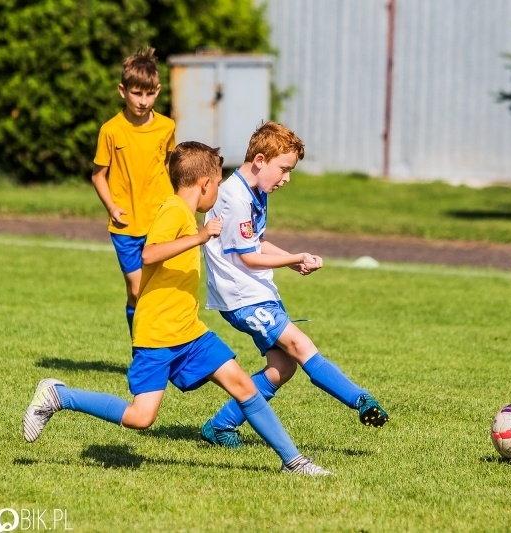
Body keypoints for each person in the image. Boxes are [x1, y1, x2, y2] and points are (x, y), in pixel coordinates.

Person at [23, 141, 331, 476]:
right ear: (205, 184)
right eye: (217, 183)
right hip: (157, 333)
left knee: (242, 384)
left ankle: (294, 462)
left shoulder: (183, 213)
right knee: (142, 417)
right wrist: (199, 237)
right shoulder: (174, 210)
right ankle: (58, 396)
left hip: (189, 331)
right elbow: (149, 254)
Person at [199, 121, 389, 448]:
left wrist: (292, 257)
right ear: (260, 160)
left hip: (257, 293)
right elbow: (248, 258)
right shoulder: (235, 197)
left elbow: (255, 244)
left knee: (282, 367)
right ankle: (360, 399)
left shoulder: (255, 191)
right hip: (242, 297)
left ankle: (221, 425)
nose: (286, 178)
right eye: (284, 169)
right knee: (301, 346)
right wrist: (292, 258)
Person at [91, 48, 176, 336]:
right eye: (137, 93)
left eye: (149, 94)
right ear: (122, 91)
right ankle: (140, 345)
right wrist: (112, 208)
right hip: (126, 225)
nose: (143, 101)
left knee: (161, 290)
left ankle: (157, 348)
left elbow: (169, 167)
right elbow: (98, 176)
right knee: (136, 290)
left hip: (159, 221)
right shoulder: (111, 130)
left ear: (158, 91)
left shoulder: (167, 126)